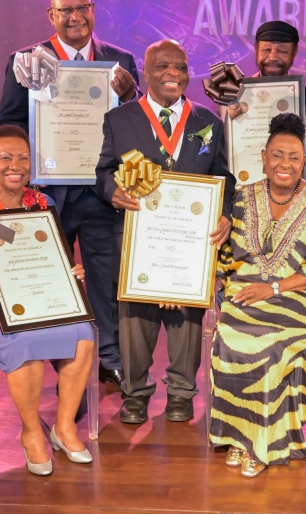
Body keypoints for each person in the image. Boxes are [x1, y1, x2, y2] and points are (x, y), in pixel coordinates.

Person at [0, 0, 140, 391]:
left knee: (106, 279)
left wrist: (133, 97)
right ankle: (62, 360)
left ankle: (109, 358)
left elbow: (138, 124)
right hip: (48, 192)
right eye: (65, 10)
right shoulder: (26, 60)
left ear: (93, 9)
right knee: (51, 279)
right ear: (51, 15)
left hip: (101, 190)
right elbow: (8, 124)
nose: (75, 17)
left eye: (82, 8)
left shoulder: (120, 60)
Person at [0, 125, 96, 475]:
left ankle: (64, 426)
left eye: (23, 158)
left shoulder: (43, 202)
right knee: (26, 342)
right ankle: (31, 432)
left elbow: (54, 256)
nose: (15, 165)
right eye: (6, 157)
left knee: (83, 334)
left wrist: (72, 272)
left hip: (37, 294)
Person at [207, 114, 306, 477]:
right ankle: (240, 436)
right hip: (246, 293)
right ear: (262, 157)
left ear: (304, 161)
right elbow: (225, 257)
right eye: (277, 155)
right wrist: (226, 288)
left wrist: (274, 288)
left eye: (293, 156)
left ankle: (265, 444)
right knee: (228, 337)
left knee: (273, 346)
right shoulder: (242, 199)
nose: (284, 164)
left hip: (299, 297)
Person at [95, 39, 235, 425]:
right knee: (135, 318)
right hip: (141, 240)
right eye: (163, 66)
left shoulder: (207, 120)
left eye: (181, 67)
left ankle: (181, 392)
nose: (174, 74)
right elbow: (104, 172)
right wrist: (113, 192)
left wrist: (224, 213)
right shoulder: (120, 119)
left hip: (190, 242)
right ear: (145, 72)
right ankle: (135, 392)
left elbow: (223, 176)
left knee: (187, 318)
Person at [251, 20, 306, 181]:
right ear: (256, 50)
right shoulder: (236, 96)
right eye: (266, 49)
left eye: (282, 51)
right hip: (245, 185)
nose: (273, 57)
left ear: (294, 53)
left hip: (295, 190)